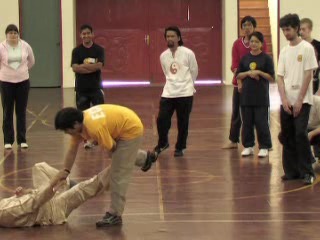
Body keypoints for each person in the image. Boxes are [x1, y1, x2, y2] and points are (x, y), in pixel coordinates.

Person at [54, 104, 157, 227]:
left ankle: (115, 214)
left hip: (130, 130)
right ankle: (145, 158)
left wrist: (96, 140)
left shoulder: (93, 127)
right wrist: (65, 171)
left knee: (117, 174)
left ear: (75, 124)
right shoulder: (80, 126)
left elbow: (112, 147)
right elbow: (72, 150)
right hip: (121, 124)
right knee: (121, 159)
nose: (66, 133)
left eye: (66, 130)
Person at [0, 162, 111, 227]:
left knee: (39, 167)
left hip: (46, 197)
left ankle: (66, 183)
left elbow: (30, 199)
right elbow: (36, 201)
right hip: (52, 211)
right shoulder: (4, 211)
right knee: (86, 187)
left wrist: (25, 192)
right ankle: (117, 167)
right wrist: (53, 184)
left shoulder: (2, 206)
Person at [277, 13, 318, 185]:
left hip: (303, 100)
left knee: (301, 134)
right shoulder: (284, 51)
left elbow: (309, 74)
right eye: (284, 30)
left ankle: (307, 171)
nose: (286, 33)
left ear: (296, 28)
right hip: (287, 101)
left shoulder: (307, 48)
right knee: (287, 136)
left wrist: (300, 99)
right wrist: (284, 99)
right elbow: (280, 77)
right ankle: (291, 171)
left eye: (288, 29)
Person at [222, 16, 267, 149]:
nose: (247, 28)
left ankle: (263, 143)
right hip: (240, 83)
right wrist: (240, 81)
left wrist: (256, 75)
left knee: (259, 114)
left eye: (249, 25)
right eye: (244, 25)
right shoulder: (237, 44)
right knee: (236, 112)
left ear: (254, 27)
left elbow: (263, 61)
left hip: (256, 83)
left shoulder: (261, 42)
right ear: (241, 28)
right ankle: (233, 140)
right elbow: (235, 64)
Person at [154, 26, 198, 157]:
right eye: (167, 36)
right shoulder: (163, 56)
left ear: (179, 38)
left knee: (183, 122)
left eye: (172, 36)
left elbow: (194, 71)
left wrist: (189, 85)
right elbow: (166, 72)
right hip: (168, 92)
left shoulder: (188, 53)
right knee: (162, 119)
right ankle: (163, 143)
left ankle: (180, 147)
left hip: (185, 92)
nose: (170, 38)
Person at [236, 32, 274, 158]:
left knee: (261, 122)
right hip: (246, 96)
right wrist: (248, 73)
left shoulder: (267, 59)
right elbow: (239, 75)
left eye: (256, 42)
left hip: (261, 96)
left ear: (261, 44)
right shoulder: (245, 59)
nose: (253, 44)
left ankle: (264, 146)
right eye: (252, 41)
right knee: (247, 122)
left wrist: (259, 72)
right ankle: (248, 146)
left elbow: (271, 77)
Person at [0, 24, 35, 149]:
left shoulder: (25, 45)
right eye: (10, 33)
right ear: (6, 35)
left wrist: (22, 70)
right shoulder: (1, 47)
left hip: (23, 82)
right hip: (6, 83)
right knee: (7, 111)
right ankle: (8, 141)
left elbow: (31, 61)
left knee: (21, 111)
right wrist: (6, 73)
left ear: (18, 34)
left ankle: (22, 140)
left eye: (15, 32)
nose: (13, 35)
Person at [71, 24, 105, 149]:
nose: (86, 35)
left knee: (98, 116)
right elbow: (75, 68)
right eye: (83, 34)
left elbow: (99, 66)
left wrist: (83, 67)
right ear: (81, 36)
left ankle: (99, 138)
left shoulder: (99, 50)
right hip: (81, 89)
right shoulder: (76, 51)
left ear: (92, 34)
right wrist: (91, 68)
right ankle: (87, 140)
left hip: (96, 88)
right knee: (83, 117)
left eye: (88, 33)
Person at [300, 18, 320, 94]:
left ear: (310, 29)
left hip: (313, 83)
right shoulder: (297, 46)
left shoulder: (318, 45)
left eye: (303, 29)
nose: (301, 32)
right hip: (299, 82)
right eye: (300, 29)